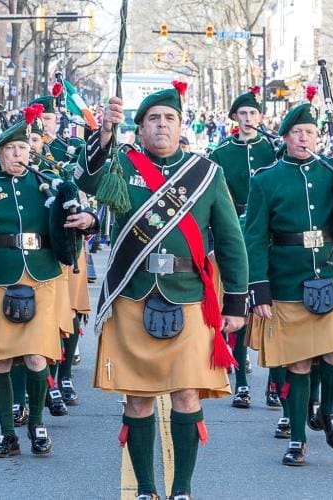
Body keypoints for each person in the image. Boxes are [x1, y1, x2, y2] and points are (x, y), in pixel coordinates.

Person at [74, 83, 248, 500]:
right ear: (140, 127)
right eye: (154, 119)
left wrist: (237, 301)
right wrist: (103, 135)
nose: (162, 126)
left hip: (189, 295)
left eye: (170, 119)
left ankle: (182, 489)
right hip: (132, 292)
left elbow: (230, 239)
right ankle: (147, 489)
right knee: (138, 399)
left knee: (187, 393)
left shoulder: (206, 174)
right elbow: (86, 178)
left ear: (181, 125)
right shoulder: (120, 165)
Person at [244, 100, 333, 467]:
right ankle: (297, 437)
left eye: (309, 132)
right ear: (286, 137)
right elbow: (255, 237)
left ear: (318, 137)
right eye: (297, 133)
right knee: (299, 362)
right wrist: (258, 287)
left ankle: (329, 409)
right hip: (288, 278)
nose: (304, 138)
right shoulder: (266, 179)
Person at [0, 109, 98, 458]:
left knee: (36, 356)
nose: (18, 154)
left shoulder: (50, 185)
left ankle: (36, 422)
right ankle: (7, 433)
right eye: (11, 150)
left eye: (23, 148)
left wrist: (87, 219)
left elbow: (79, 212)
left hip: (42, 277)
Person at [207, 85, 280, 411]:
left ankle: (276, 384)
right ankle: (242, 383)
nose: (248, 118)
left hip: (269, 238)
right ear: (235, 118)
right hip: (233, 235)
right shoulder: (222, 153)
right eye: (243, 114)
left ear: (260, 117)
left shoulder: (274, 151)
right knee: (238, 310)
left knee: (272, 310)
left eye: (253, 113)